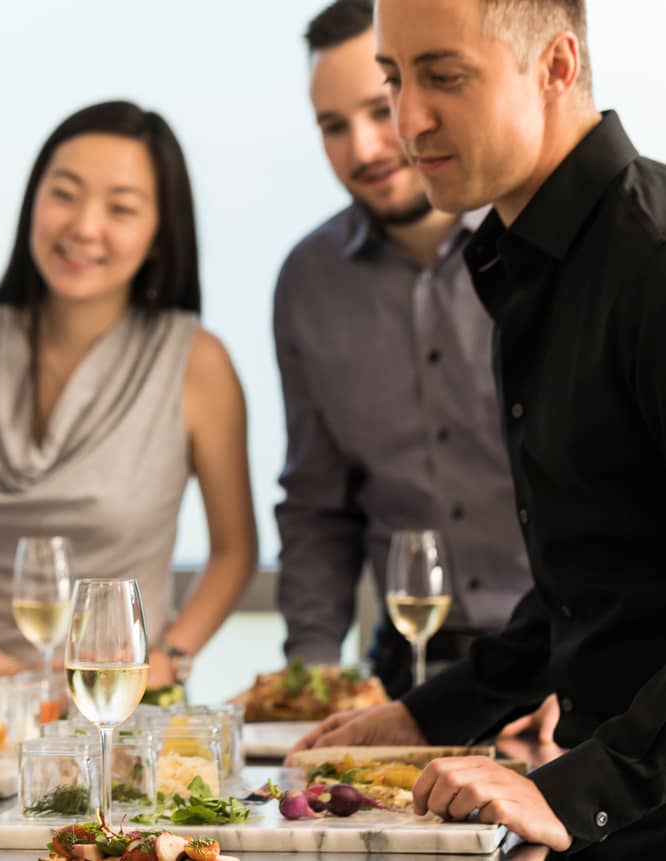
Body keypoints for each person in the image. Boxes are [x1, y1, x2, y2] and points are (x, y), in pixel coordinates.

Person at [296, 0, 666, 852]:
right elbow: (597, 584)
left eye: (444, 77)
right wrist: (423, 714)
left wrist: (584, 791)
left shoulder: (652, 258)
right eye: (395, 78)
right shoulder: (524, 263)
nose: (403, 120)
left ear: (557, 68)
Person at [0, 101, 259, 688]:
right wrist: (9, 679)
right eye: (65, 194)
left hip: (121, 700)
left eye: (122, 208)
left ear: (160, 232)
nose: (84, 225)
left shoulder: (197, 361)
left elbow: (234, 552)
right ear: (34, 200)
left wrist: (171, 658)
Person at [275, 0, 532, 698]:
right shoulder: (308, 282)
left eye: (379, 104)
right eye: (333, 125)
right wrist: (314, 674)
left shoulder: (548, 249)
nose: (362, 147)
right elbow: (317, 505)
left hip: (564, 674)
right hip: (405, 677)